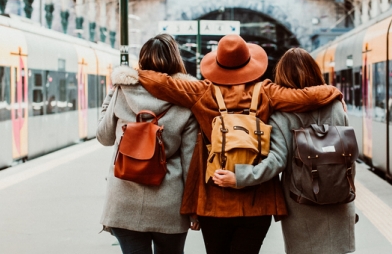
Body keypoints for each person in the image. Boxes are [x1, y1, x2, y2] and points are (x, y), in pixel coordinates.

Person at [129, 34, 344, 254]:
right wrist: (331, 91)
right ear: (250, 62)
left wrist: (133, 73)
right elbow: (304, 97)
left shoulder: (202, 92)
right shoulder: (267, 92)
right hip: (257, 199)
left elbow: (161, 83)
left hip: (214, 197)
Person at [213, 48, 356, 254]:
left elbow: (277, 161)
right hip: (339, 197)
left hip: (302, 202)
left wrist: (239, 177)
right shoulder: (335, 105)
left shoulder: (281, 115)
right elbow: (348, 154)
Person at [97, 34, 199, 254]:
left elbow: (104, 136)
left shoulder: (123, 90)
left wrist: (111, 97)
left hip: (124, 200)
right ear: (176, 60)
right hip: (169, 204)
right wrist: (193, 209)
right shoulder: (186, 98)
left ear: (141, 60)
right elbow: (190, 162)